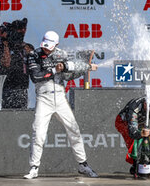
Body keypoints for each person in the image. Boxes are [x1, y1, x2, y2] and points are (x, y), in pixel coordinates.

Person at [24, 31, 98, 179]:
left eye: (49, 47)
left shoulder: (62, 54)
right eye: (44, 46)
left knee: (74, 130)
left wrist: (85, 68)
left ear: (56, 44)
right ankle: (34, 167)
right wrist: (54, 69)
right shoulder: (34, 55)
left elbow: (67, 75)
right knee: (38, 133)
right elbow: (35, 77)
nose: (46, 49)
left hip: (60, 97)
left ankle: (83, 165)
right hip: (43, 98)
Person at [0, 18, 34, 109]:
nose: (22, 32)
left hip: (22, 89)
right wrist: (6, 43)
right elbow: (6, 64)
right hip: (6, 89)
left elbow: (33, 58)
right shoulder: (2, 47)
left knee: (21, 118)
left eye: (23, 30)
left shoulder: (27, 47)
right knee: (7, 118)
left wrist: (22, 46)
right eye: (19, 30)